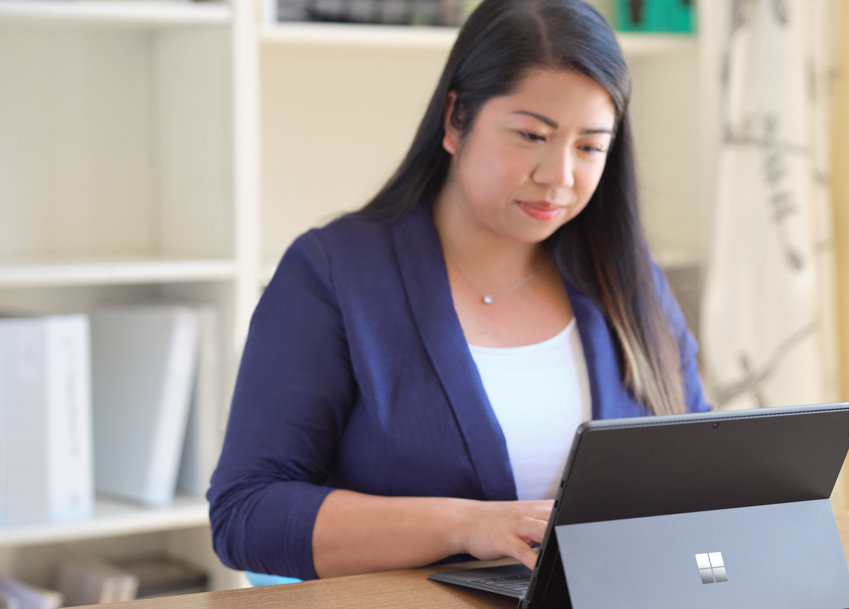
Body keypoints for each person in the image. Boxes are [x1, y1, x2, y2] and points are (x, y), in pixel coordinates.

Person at [207, 0, 710, 582]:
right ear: (455, 120)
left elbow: (698, 474)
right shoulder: (333, 273)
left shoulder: (627, 278)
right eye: (530, 135)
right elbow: (247, 515)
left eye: (590, 146)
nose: (559, 176)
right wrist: (464, 525)